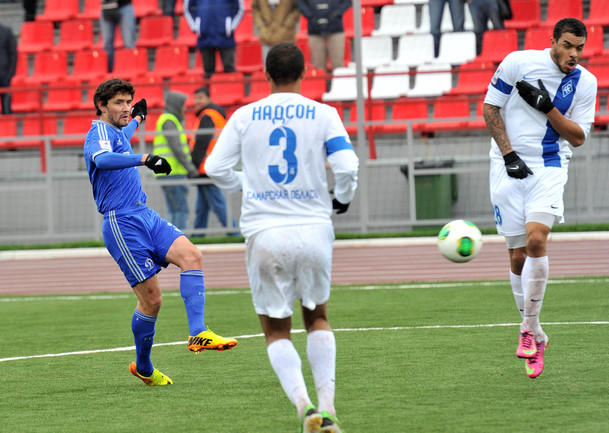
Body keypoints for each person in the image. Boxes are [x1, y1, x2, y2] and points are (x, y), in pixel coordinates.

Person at [205, 42, 358, 433]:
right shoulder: (324, 114)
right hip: (313, 229)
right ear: (304, 73)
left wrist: (246, 184)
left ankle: (305, 407)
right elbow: (346, 165)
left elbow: (214, 167)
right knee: (318, 317)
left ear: (266, 74)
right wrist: (342, 198)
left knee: (276, 329)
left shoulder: (244, 116)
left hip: (266, 232)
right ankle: (328, 407)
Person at [83, 78, 237, 386]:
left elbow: (123, 135)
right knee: (152, 301)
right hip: (122, 223)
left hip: (144, 214)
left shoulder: (115, 130)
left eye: (128, 102)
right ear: (101, 106)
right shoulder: (97, 132)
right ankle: (144, 366)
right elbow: (103, 158)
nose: (126, 107)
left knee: (191, 255)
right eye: (119, 103)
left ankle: (198, 333)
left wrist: (138, 119)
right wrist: (144, 158)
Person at [483, 18, 596, 379]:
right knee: (517, 257)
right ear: (553, 41)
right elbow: (490, 108)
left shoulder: (586, 82)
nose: (573, 54)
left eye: (579, 48)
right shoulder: (517, 62)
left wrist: (547, 107)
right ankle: (537, 334)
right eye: (567, 45)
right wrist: (508, 154)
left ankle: (528, 330)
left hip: (549, 166)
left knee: (536, 240)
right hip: (507, 166)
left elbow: (577, 137)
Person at [190, 87, 238, 232]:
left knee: (218, 204)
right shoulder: (215, 115)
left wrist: (193, 166)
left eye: (200, 97)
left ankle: (234, 233)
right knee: (202, 207)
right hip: (210, 166)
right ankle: (198, 235)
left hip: (206, 168)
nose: (197, 101)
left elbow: (201, 143)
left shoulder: (208, 116)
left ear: (208, 99)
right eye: (195, 98)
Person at [153, 91, 199, 230]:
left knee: (173, 210)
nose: (185, 108)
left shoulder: (167, 119)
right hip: (172, 172)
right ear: (176, 104)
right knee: (180, 210)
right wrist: (191, 169)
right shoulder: (169, 120)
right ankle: (178, 240)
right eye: (183, 105)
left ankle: (170, 239)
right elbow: (177, 148)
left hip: (168, 171)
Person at [184, 0, 245, 79]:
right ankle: (209, 87)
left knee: (229, 70)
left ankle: (231, 87)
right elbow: (188, 8)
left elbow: (239, 7)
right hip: (204, 35)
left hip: (225, 36)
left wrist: (230, 26)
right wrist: (196, 26)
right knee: (208, 72)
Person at [296, 0, 351, 73]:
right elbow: (300, 3)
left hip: (335, 29)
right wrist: (310, 16)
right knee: (319, 67)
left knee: (338, 66)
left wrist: (336, 14)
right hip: (315, 30)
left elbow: (347, 2)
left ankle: (338, 80)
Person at [100, 0, 136, 73]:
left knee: (129, 44)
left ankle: (130, 72)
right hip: (107, 6)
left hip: (125, 5)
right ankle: (109, 74)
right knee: (107, 46)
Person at [0, 17, 17, 115]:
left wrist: (10, 75)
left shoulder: (7, 32)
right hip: (5, 74)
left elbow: (13, 55)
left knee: (6, 110)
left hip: (4, 76)